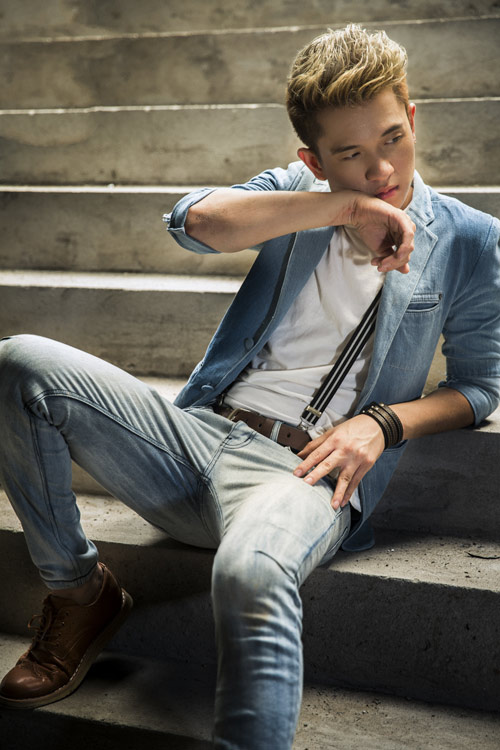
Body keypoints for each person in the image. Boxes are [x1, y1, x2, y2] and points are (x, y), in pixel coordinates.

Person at [0, 23, 499, 749]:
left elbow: (479, 388)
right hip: (195, 441)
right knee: (20, 362)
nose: (382, 168)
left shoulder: (468, 238)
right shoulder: (295, 194)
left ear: (413, 118)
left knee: (249, 573)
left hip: (302, 475)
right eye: (351, 155)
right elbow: (193, 221)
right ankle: (80, 594)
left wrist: (383, 424)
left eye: (393, 137)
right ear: (313, 158)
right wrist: (345, 208)